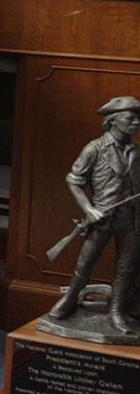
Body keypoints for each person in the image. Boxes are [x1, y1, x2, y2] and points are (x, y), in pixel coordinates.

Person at [48, 97, 140, 334]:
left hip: (131, 220)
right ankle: (69, 301)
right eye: (130, 118)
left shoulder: (137, 152)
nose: (136, 122)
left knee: (126, 268)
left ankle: (117, 312)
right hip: (101, 218)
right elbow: (74, 180)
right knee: (84, 264)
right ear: (112, 121)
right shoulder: (94, 149)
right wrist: (89, 209)